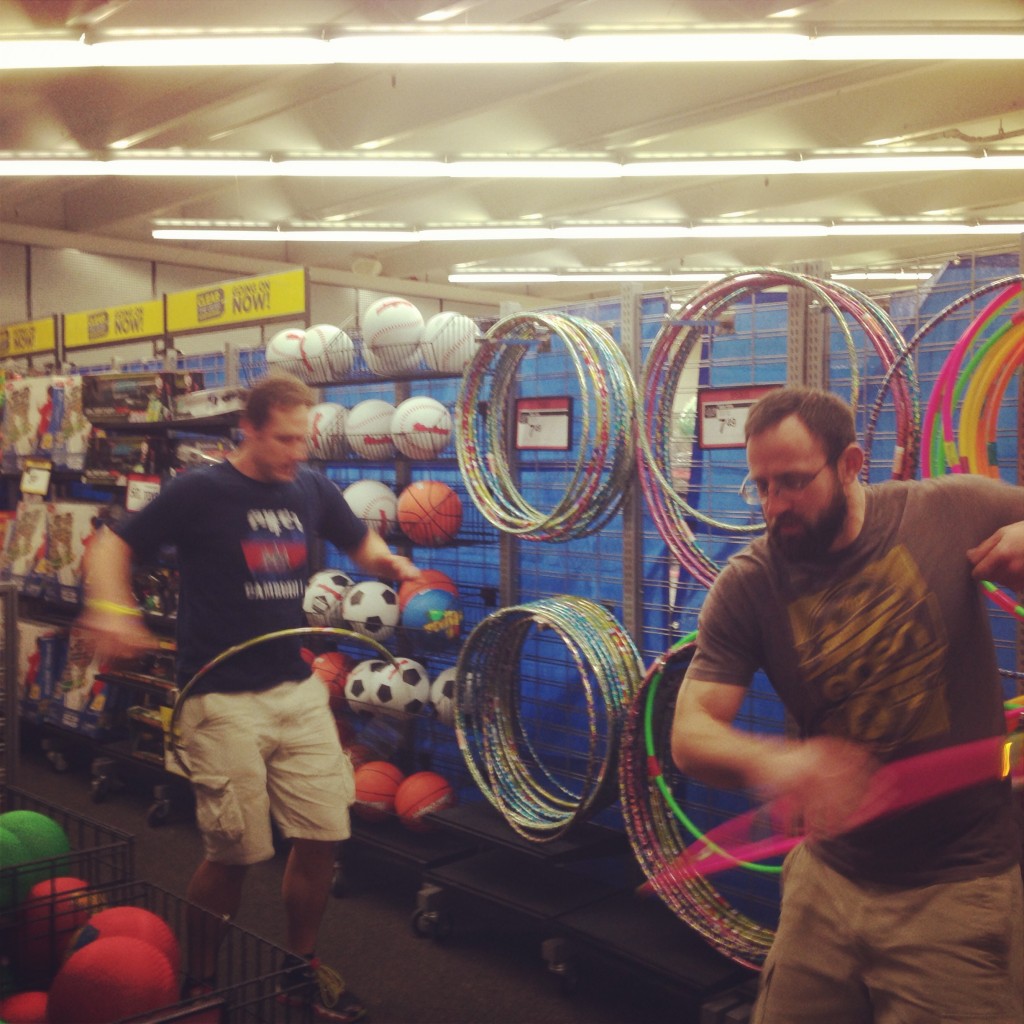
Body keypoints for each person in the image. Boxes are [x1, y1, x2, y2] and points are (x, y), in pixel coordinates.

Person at [670, 386, 1024, 1024]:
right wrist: (777, 763)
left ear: (851, 464)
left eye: (794, 482)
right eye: (762, 486)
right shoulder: (751, 583)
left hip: (957, 885)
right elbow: (692, 732)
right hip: (826, 880)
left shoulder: (950, 511)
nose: (776, 506)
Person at [80, 371, 419, 1023]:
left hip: (293, 689)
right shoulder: (199, 491)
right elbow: (112, 544)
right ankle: (202, 983)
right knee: (235, 852)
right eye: (285, 438)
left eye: (305, 438)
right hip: (219, 695)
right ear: (250, 429)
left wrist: (389, 564)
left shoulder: (312, 487)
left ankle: (300, 971)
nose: (298, 451)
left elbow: (359, 540)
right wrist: (110, 609)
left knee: (323, 833)